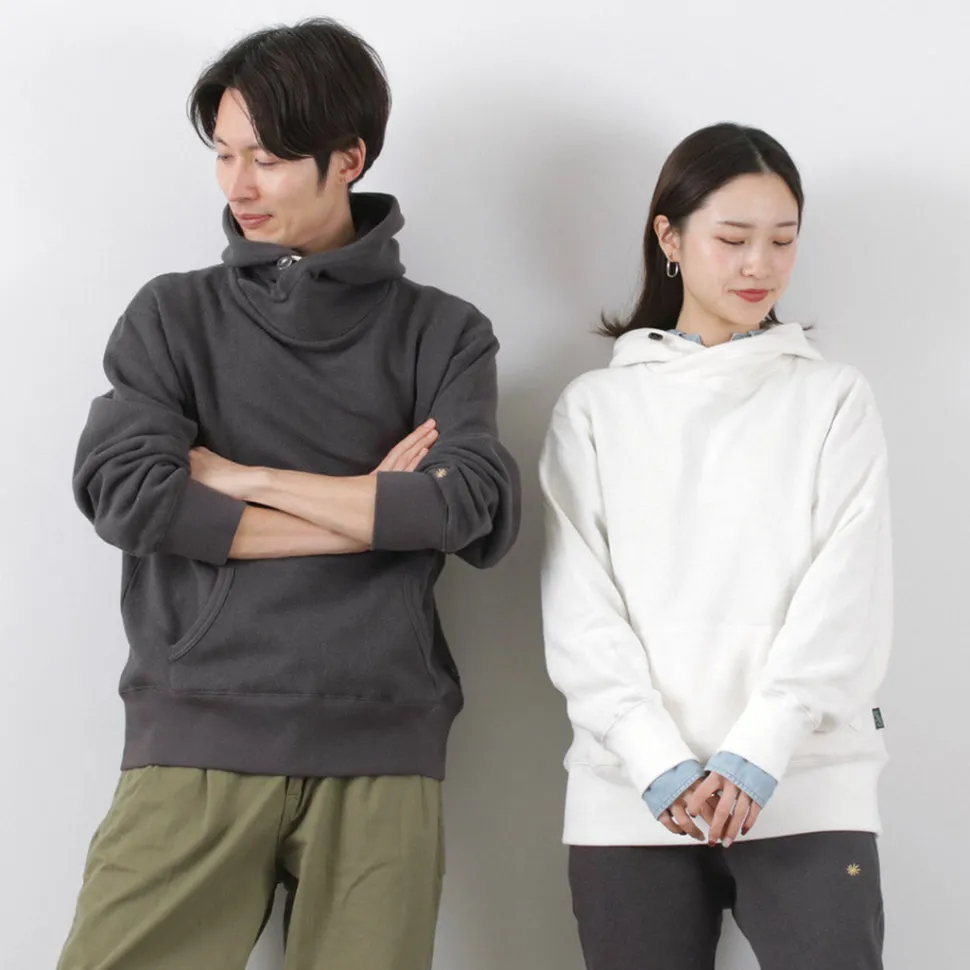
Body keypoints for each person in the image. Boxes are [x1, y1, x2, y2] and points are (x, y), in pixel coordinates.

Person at [59, 18, 520, 970]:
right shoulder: (172, 315)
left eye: (266, 159)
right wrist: (370, 512)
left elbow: (470, 507)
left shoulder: (444, 333)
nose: (237, 186)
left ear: (348, 157)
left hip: (382, 742)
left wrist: (247, 478)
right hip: (196, 731)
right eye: (225, 155)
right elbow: (129, 496)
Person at [540, 123, 891, 970]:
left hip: (808, 791)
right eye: (733, 239)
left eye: (782, 239)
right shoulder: (594, 410)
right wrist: (657, 760)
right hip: (628, 799)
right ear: (669, 237)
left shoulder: (833, 399)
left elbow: (847, 598)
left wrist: (758, 753)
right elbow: (579, 611)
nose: (759, 266)